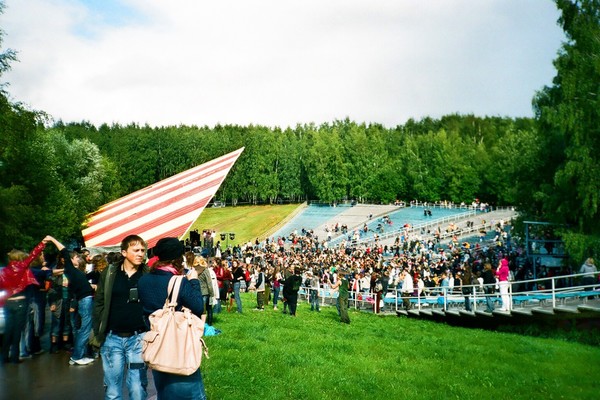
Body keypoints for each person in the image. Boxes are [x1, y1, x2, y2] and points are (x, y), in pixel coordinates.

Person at [137, 237, 206, 400]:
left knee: (164, 393)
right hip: (177, 343)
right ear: (178, 258)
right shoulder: (178, 281)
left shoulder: (144, 280)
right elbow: (197, 306)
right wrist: (194, 281)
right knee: (192, 394)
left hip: (157, 343)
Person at [92, 235, 149, 400]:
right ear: (124, 252)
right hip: (112, 339)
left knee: (137, 388)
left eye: (143, 250)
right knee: (112, 390)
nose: (140, 254)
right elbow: (99, 302)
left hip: (138, 339)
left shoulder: (147, 274)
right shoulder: (110, 273)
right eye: (136, 250)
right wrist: (99, 330)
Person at [44, 236, 95, 366]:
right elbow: (64, 250)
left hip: (84, 299)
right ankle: (78, 356)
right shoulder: (70, 268)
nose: (78, 258)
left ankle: (79, 355)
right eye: (76, 257)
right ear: (71, 259)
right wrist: (52, 239)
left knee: (82, 328)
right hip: (85, 300)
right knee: (85, 329)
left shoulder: (73, 271)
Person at [0, 239, 46, 363]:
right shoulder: (21, 267)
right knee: (17, 331)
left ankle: (4, 356)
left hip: (8, 303)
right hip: (20, 302)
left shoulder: (3, 271)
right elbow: (33, 254)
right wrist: (43, 243)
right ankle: (15, 357)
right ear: (20, 257)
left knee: (8, 330)